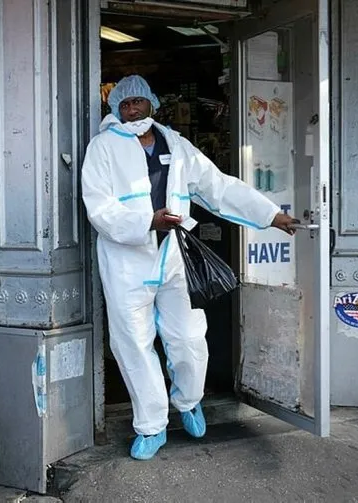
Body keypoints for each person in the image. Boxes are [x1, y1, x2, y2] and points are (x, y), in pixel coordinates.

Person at [81, 75, 298, 461]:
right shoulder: (102, 148)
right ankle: (151, 426)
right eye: (125, 104)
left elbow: (218, 186)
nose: (132, 110)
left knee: (189, 338)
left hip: (174, 258)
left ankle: (189, 401)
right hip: (127, 262)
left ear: (152, 104)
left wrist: (269, 215)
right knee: (133, 343)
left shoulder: (175, 144)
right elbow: (98, 206)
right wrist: (148, 221)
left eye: (138, 103)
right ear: (115, 108)